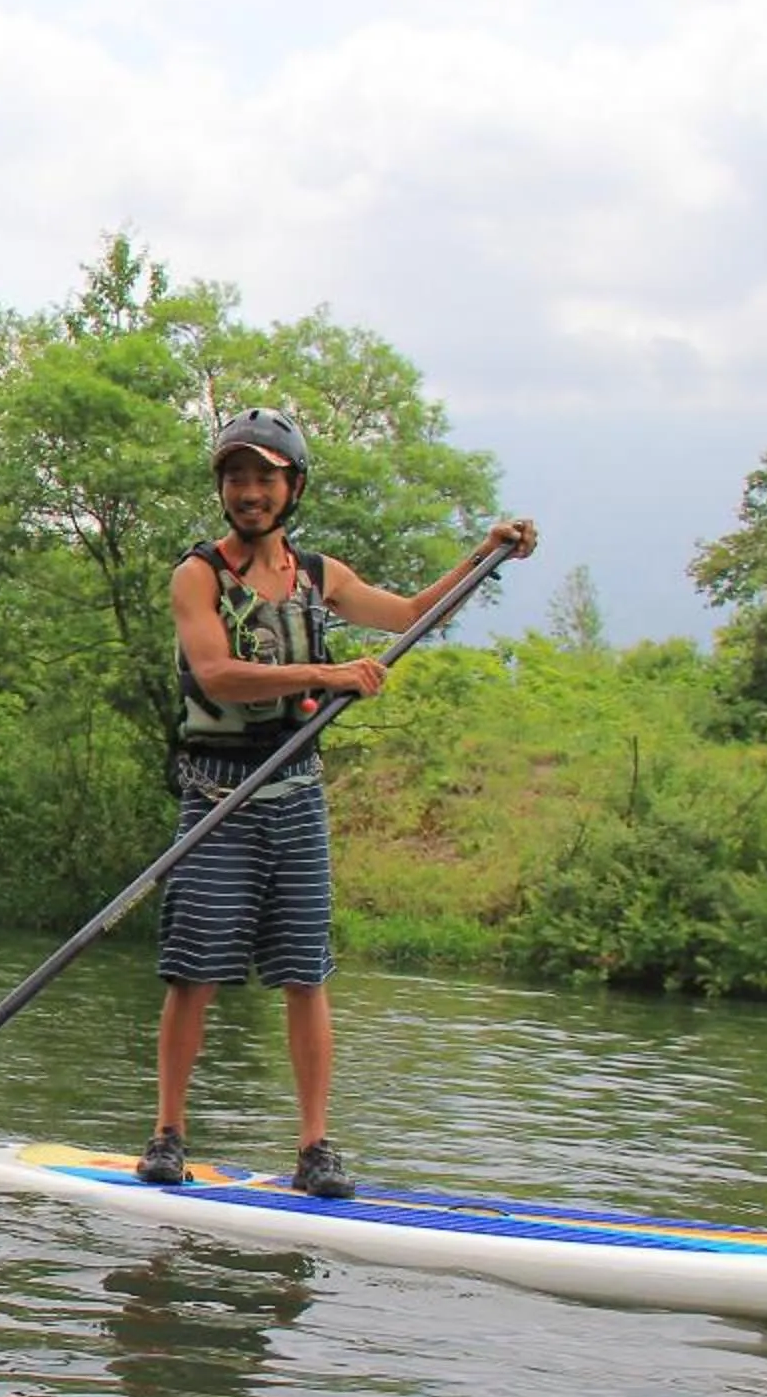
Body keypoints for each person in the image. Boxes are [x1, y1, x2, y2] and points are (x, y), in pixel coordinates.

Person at [136, 408, 535, 1199]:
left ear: (292, 488)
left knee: (304, 974)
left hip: (295, 797)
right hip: (217, 796)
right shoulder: (198, 576)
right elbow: (216, 674)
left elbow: (413, 613)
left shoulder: (320, 577)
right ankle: (168, 1134)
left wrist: (484, 555)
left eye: (264, 478)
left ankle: (315, 1147)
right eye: (236, 478)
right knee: (193, 973)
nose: (249, 493)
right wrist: (327, 674)